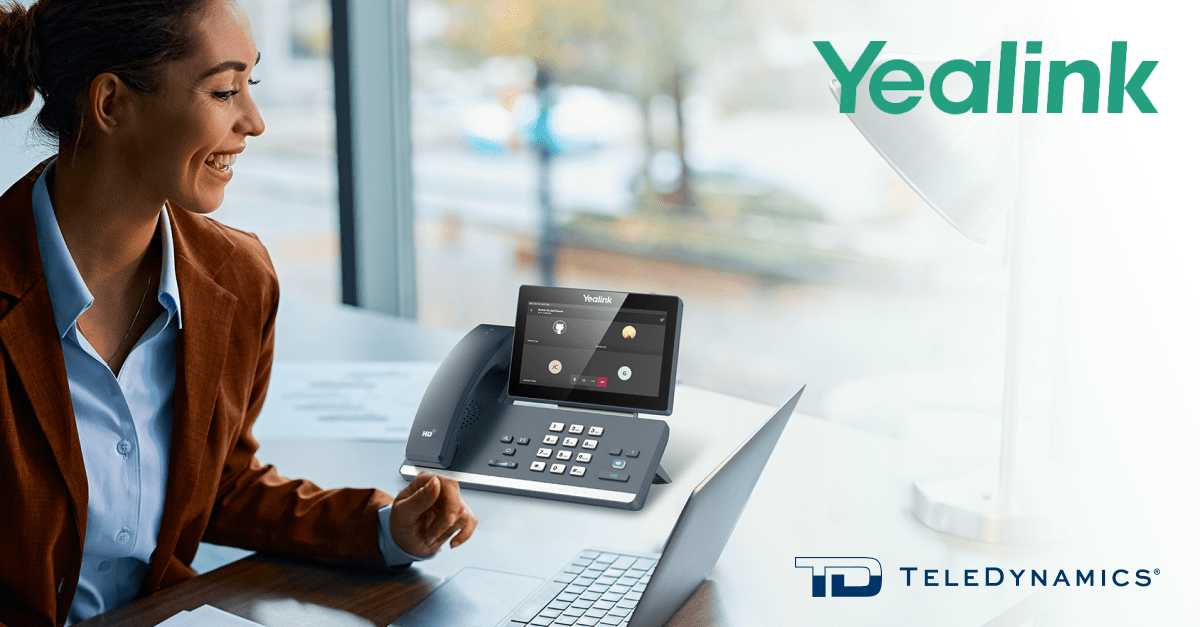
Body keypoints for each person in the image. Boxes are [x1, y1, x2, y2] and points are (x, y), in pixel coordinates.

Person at [0, 1, 477, 624]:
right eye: (224, 90)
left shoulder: (237, 279)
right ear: (111, 103)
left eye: (250, 85)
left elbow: (219, 484)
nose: (253, 121)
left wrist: (387, 529)